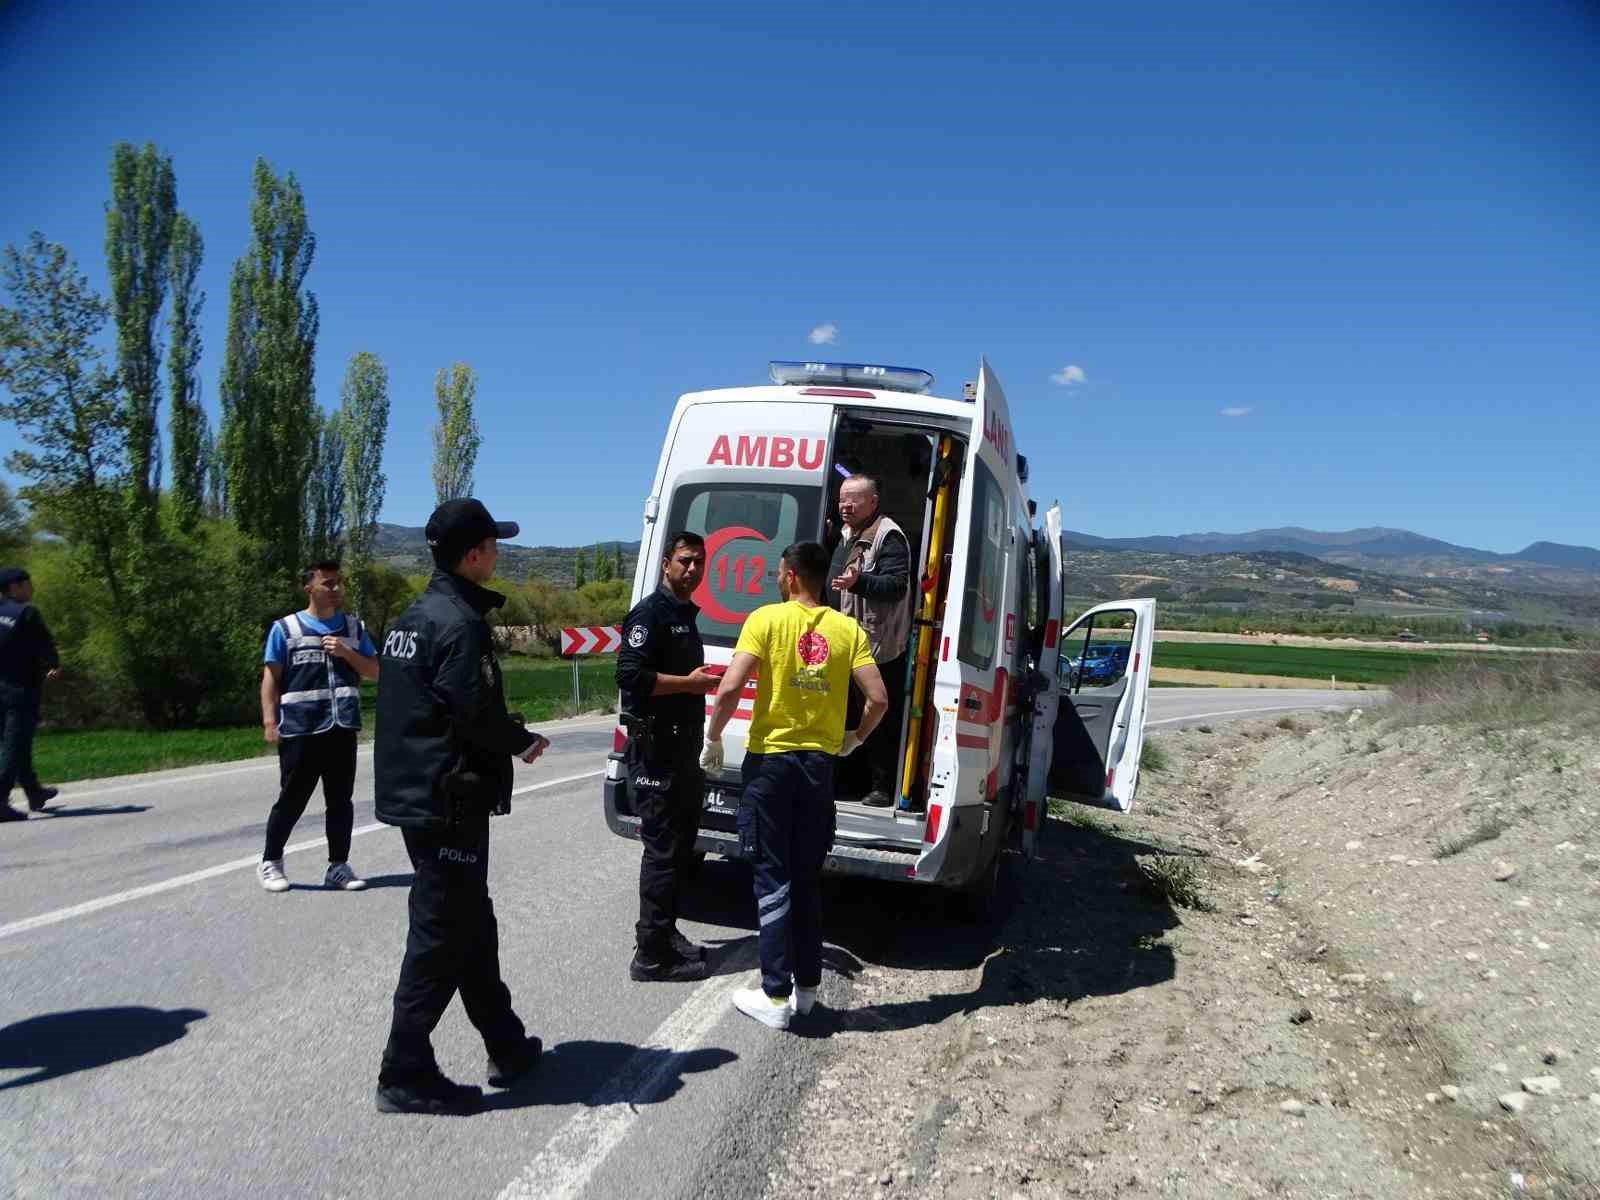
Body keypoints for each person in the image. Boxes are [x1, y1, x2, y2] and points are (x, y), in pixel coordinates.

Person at [372, 497, 551, 1116]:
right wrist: (521, 739)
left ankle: (505, 1043)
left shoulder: (414, 615)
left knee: (472, 924)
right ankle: (404, 1070)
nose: (499, 553)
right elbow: (473, 713)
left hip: (422, 793)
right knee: (441, 932)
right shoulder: (458, 622)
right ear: (473, 554)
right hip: (448, 798)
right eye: (494, 545)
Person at [703, 541, 886, 1030]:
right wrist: (853, 739)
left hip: (771, 766)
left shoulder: (765, 620)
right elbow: (879, 699)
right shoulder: (849, 630)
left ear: (789, 576)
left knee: (771, 877)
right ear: (823, 577)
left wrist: (714, 737)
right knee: (806, 879)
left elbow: (728, 688)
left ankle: (775, 994)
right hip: (818, 769)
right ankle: (806, 990)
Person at [615, 531, 722, 983]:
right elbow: (630, 677)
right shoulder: (650, 613)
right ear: (666, 564)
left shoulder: (683, 612)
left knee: (679, 849)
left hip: (680, 748)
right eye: (685, 561)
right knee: (661, 852)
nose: (693, 569)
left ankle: (663, 933)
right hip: (655, 749)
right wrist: (689, 684)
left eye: (699, 561)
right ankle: (651, 957)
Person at [257, 560, 380, 892]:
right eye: (328, 584)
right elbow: (271, 678)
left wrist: (346, 653)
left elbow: (375, 671)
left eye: (338, 583)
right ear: (308, 587)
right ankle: (271, 861)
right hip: (301, 729)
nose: (336, 589)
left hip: (342, 728)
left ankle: (338, 867)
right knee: (292, 799)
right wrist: (270, 721)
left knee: (340, 800)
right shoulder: (285, 629)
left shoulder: (354, 629)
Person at [827, 474, 913, 807]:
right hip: (843, 641)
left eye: (853, 500)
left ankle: (880, 786)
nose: (845, 506)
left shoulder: (888, 536)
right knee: (845, 713)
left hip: (876, 647)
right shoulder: (846, 532)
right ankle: (847, 781)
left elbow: (896, 587)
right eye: (841, 500)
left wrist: (858, 582)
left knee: (875, 718)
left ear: (873, 502)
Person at [0, 567, 61, 821]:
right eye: (27, 583)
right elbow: (45, 644)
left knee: (17, 742)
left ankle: (34, 792)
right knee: (14, 745)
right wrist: (54, 665)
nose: (31, 588)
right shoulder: (27, 613)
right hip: (21, 690)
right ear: (15, 588)